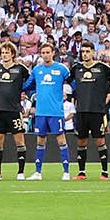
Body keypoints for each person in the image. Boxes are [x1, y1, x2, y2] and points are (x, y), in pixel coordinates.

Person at [25, 41, 72, 180]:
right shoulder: (37, 70)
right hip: (41, 112)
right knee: (40, 141)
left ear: (53, 53)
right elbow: (27, 85)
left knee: (61, 140)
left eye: (48, 52)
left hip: (56, 112)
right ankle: (38, 172)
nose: (45, 55)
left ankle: (66, 172)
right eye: (43, 53)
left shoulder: (62, 69)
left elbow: (74, 83)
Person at [71, 43, 110, 179]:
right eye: (82, 51)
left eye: (87, 51)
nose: (84, 54)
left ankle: (104, 172)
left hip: (97, 111)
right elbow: (65, 81)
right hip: (81, 111)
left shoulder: (102, 68)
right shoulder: (76, 68)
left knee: (100, 141)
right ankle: (81, 172)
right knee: (81, 141)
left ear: (93, 52)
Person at [0, 41, 30, 180]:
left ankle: (21, 172)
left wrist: (23, 94)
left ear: (12, 54)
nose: (4, 55)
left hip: (14, 110)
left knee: (19, 140)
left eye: (7, 52)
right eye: (2, 53)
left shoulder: (20, 69)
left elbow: (30, 82)